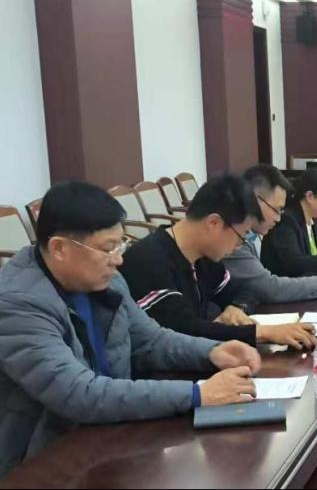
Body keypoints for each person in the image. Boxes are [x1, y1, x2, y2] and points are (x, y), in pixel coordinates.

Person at [0, 182, 262, 476]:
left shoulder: (107, 280)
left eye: (120, 244)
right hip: (42, 461)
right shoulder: (17, 304)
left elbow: (150, 340)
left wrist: (212, 352)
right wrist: (197, 394)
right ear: (59, 248)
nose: (119, 259)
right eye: (107, 248)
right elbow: (79, 393)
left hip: (109, 434)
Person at [119, 174, 317, 350]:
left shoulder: (203, 257)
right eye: (241, 236)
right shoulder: (149, 261)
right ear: (214, 223)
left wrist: (236, 307)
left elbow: (245, 290)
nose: (239, 246)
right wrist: (263, 333)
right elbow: (183, 330)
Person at [223, 165, 317, 306]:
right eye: (276, 209)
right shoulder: (233, 239)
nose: (278, 218)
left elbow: (252, 288)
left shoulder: (252, 235)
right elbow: (270, 286)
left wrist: (241, 305)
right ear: (255, 201)